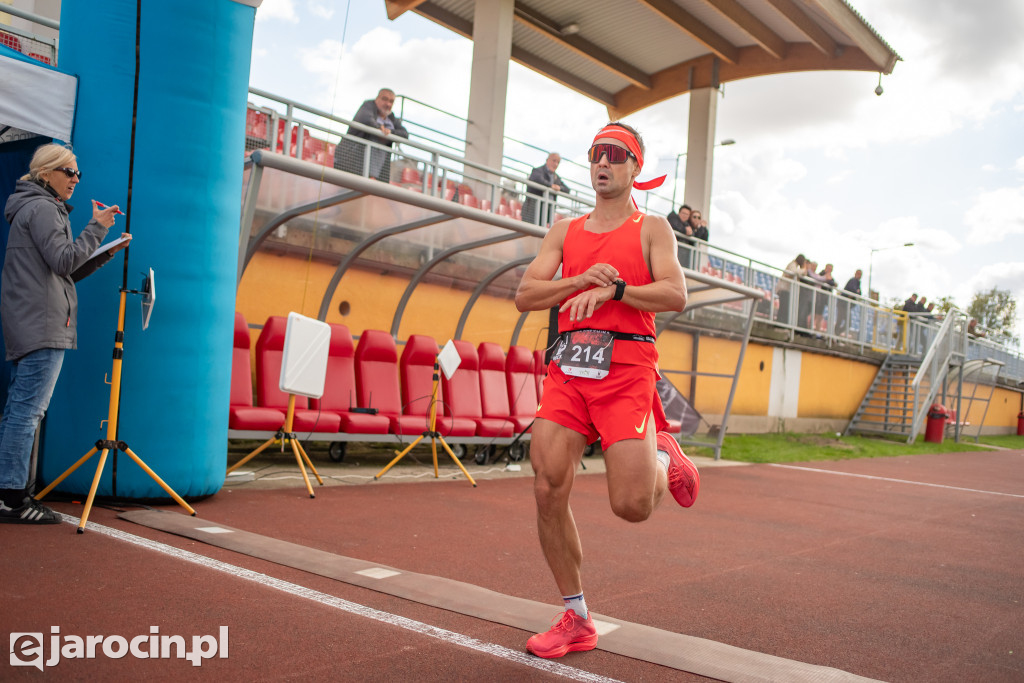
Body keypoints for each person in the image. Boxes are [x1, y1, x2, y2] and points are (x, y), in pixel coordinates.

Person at [514, 122, 700, 659]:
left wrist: (616, 289)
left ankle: (665, 456)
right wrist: (578, 281)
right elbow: (527, 293)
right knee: (548, 483)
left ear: (635, 168)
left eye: (617, 155)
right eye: (598, 154)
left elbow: (675, 294)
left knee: (633, 505)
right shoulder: (564, 230)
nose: (605, 163)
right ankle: (576, 616)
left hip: (625, 369)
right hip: (571, 366)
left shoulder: (653, 227)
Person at [0, 144, 130, 524]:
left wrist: (104, 249)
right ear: (46, 174)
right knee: (27, 412)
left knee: (19, 412)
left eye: (78, 174)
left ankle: (10, 493)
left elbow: (63, 272)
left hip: (33, 318)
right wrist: (97, 228)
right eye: (68, 172)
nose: (75, 179)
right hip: (41, 322)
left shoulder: (35, 207)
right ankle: (12, 498)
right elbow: (64, 260)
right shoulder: (42, 208)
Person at [334, 88, 409, 182]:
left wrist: (389, 132)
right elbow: (366, 119)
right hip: (350, 165)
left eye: (391, 101)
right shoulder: (367, 106)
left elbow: (405, 134)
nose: (388, 104)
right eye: (384, 99)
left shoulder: (392, 118)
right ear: (376, 99)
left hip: (376, 171)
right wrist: (379, 128)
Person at [522, 152, 568, 226]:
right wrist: (551, 186)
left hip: (545, 215)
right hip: (532, 212)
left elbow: (567, 189)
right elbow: (538, 180)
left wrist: (559, 188)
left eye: (558, 162)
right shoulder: (537, 171)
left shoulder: (556, 178)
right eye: (554, 161)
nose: (556, 164)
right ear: (547, 160)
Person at [836, 269, 862, 335]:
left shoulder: (858, 282)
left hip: (847, 305)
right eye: (858, 273)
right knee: (840, 320)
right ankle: (835, 334)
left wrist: (856, 293)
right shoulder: (853, 280)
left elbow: (859, 293)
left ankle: (837, 333)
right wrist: (856, 292)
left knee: (848, 323)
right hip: (843, 303)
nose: (859, 275)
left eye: (860, 274)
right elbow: (853, 291)